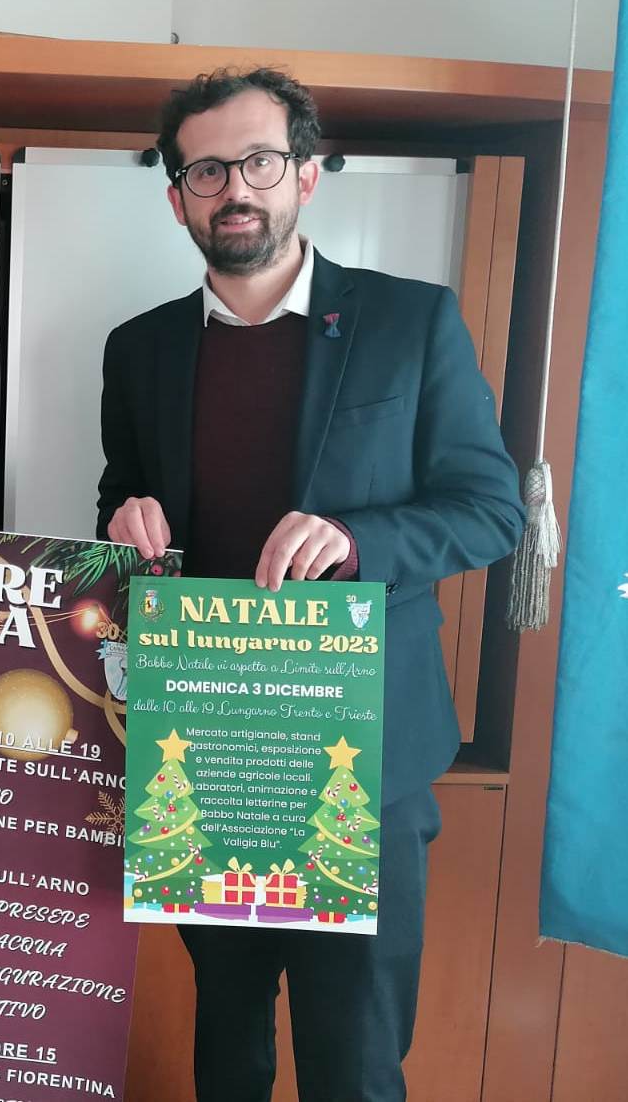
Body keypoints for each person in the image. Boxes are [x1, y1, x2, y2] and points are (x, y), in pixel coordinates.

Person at [96, 68, 524, 1101]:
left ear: (306, 176)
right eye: (206, 171)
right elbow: (122, 492)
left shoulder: (411, 322)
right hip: (207, 754)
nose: (234, 188)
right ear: (177, 198)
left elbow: (491, 510)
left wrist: (354, 539)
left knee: (354, 1063)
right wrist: (123, 520)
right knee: (227, 1051)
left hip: (359, 763)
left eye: (259, 161)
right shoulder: (139, 349)